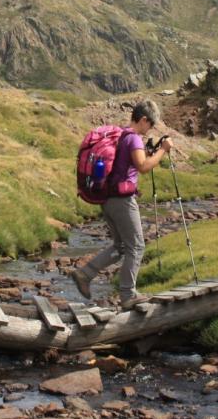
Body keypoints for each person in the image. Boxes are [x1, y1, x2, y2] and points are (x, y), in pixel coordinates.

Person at [71, 100, 172, 309]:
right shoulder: (134, 138)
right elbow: (143, 166)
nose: (149, 129)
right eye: (150, 125)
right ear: (143, 120)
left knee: (120, 246)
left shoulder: (123, 135)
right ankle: (128, 295)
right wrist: (163, 151)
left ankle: (85, 274)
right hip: (122, 201)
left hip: (108, 199)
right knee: (137, 246)